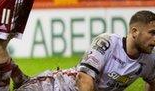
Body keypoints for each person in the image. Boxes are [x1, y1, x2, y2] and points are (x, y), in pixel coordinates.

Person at [17, 10, 155, 91]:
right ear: (135, 31)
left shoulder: (149, 60)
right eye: (152, 33)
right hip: (56, 86)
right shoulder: (107, 42)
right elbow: (84, 80)